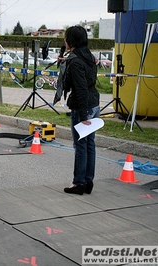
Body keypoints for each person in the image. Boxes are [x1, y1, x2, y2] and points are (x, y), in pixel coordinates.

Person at [59, 26, 100, 195]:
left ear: (71, 41)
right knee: (90, 144)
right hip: (94, 104)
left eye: (66, 38)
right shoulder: (89, 57)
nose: (64, 41)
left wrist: (83, 116)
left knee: (81, 145)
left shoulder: (75, 62)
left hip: (83, 107)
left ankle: (78, 183)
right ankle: (88, 180)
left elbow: (81, 89)